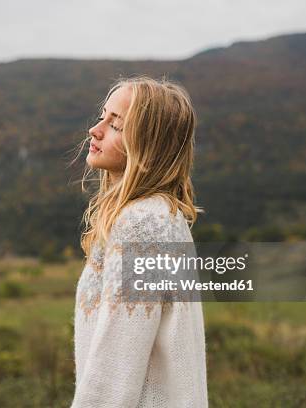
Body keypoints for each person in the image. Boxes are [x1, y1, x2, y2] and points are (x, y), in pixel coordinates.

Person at [71, 75, 208, 407]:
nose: (96, 129)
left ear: (149, 144)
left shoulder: (143, 224)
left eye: (116, 125)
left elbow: (115, 368)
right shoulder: (160, 217)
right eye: (103, 116)